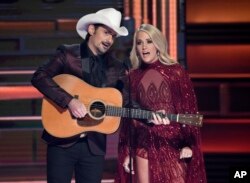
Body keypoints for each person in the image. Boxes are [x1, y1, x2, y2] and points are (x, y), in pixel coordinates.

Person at [31, 8, 129, 183]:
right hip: (61, 140)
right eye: (106, 32)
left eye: (113, 36)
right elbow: (39, 76)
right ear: (91, 30)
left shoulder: (117, 67)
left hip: (94, 147)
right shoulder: (68, 55)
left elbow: (128, 102)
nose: (109, 40)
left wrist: (151, 116)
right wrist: (69, 101)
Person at [115, 24, 207, 183]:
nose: (144, 47)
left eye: (149, 41)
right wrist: (128, 152)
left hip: (172, 144)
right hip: (142, 144)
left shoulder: (176, 72)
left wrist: (188, 145)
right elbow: (129, 120)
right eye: (139, 42)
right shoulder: (132, 77)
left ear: (158, 45)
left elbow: (189, 111)